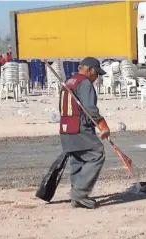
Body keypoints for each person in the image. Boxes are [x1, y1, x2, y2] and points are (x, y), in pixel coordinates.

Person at [59, 57, 108, 209]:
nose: (96, 77)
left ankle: (77, 195)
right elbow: (89, 109)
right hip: (79, 127)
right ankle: (79, 193)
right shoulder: (85, 83)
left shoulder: (69, 81)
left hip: (66, 128)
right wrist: (102, 124)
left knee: (78, 160)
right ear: (90, 70)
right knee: (97, 153)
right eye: (96, 74)